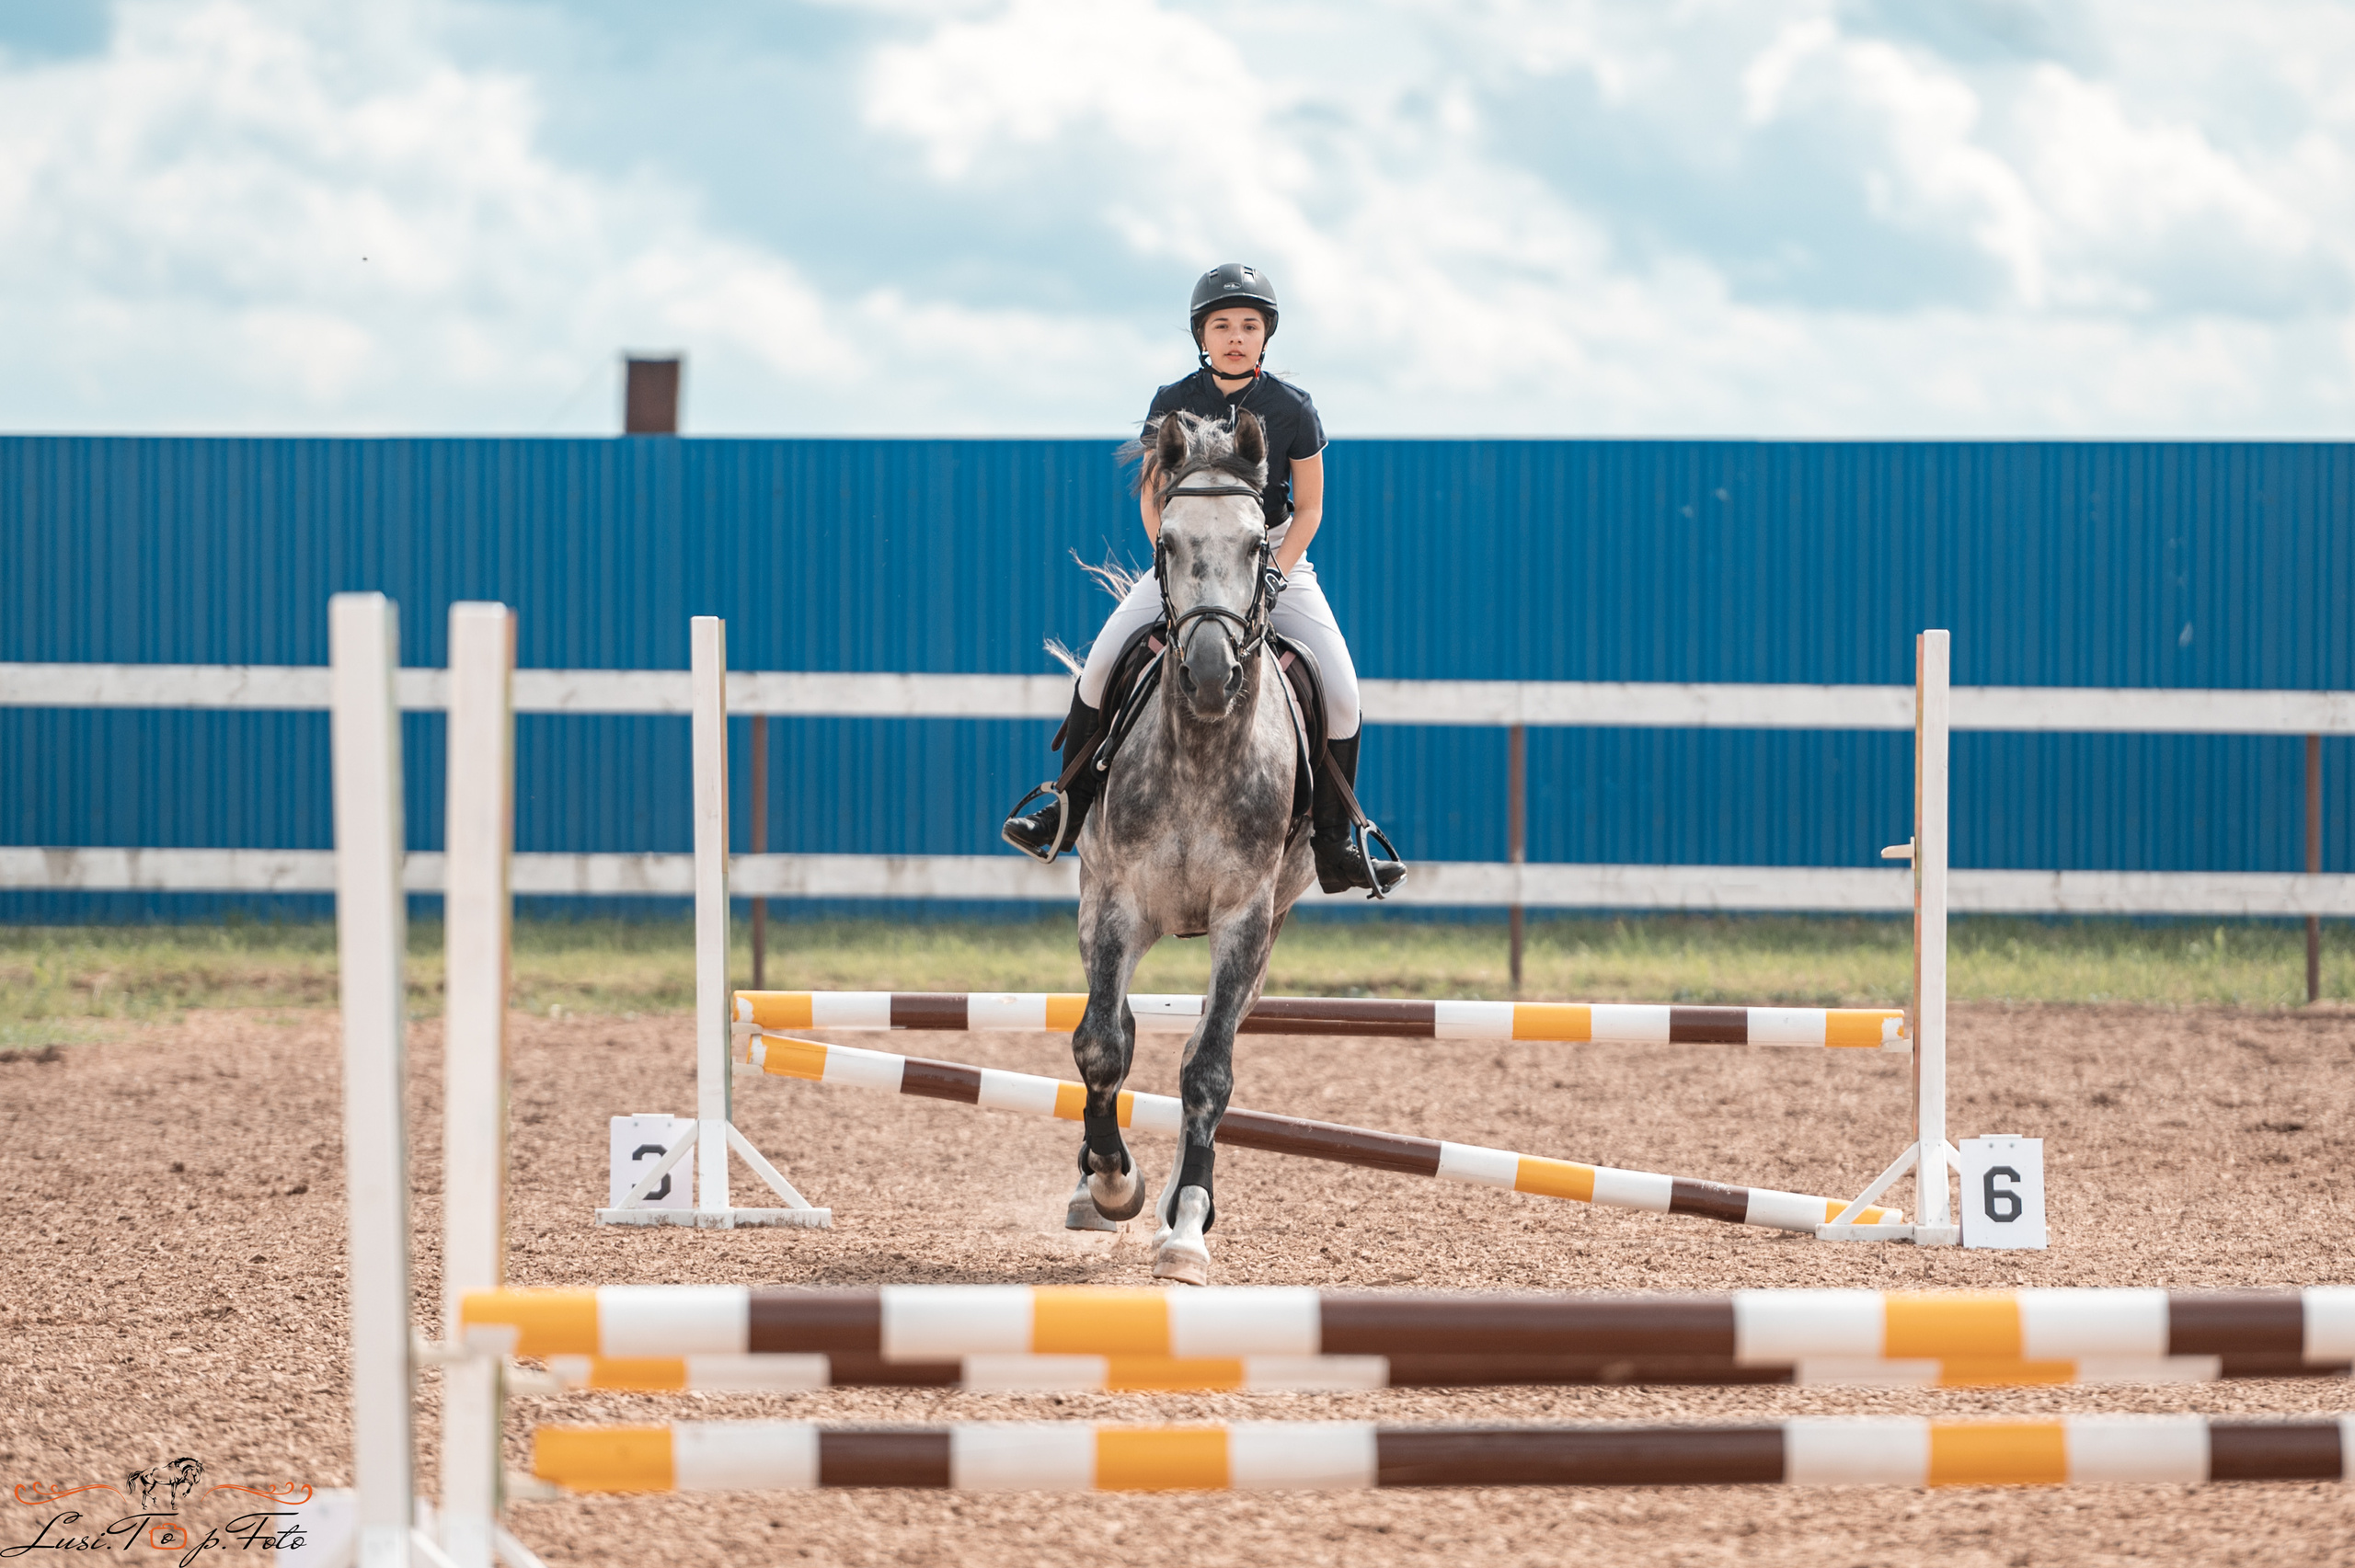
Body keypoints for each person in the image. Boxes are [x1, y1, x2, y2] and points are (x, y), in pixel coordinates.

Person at [1002, 263, 1406, 895]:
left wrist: (1275, 574)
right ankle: (1067, 808)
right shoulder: (1172, 400)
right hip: (1186, 554)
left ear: (1265, 335)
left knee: (1344, 693)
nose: (1236, 337)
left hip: (1271, 553)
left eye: (1249, 325)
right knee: (1101, 665)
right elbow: (1152, 498)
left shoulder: (1293, 408)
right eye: (1222, 326)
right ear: (1202, 335)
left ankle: (1333, 844)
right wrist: (1171, 562)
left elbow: (1310, 509)